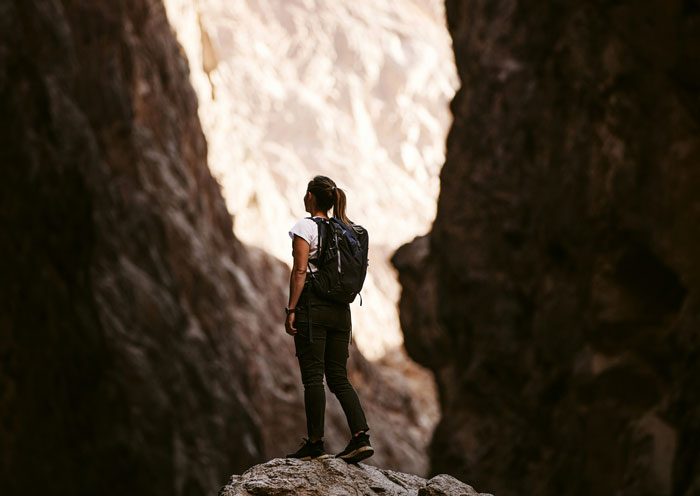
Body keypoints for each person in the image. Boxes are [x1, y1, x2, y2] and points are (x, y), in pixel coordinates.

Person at [284, 175, 373, 463]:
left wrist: (291, 310)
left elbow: (299, 272)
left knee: (313, 378)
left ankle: (315, 444)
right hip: (341, 312)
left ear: (310, 196)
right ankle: (361, 438)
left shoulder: (305, 227)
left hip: (313, 309)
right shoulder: (345, 229)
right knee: (338, 377)